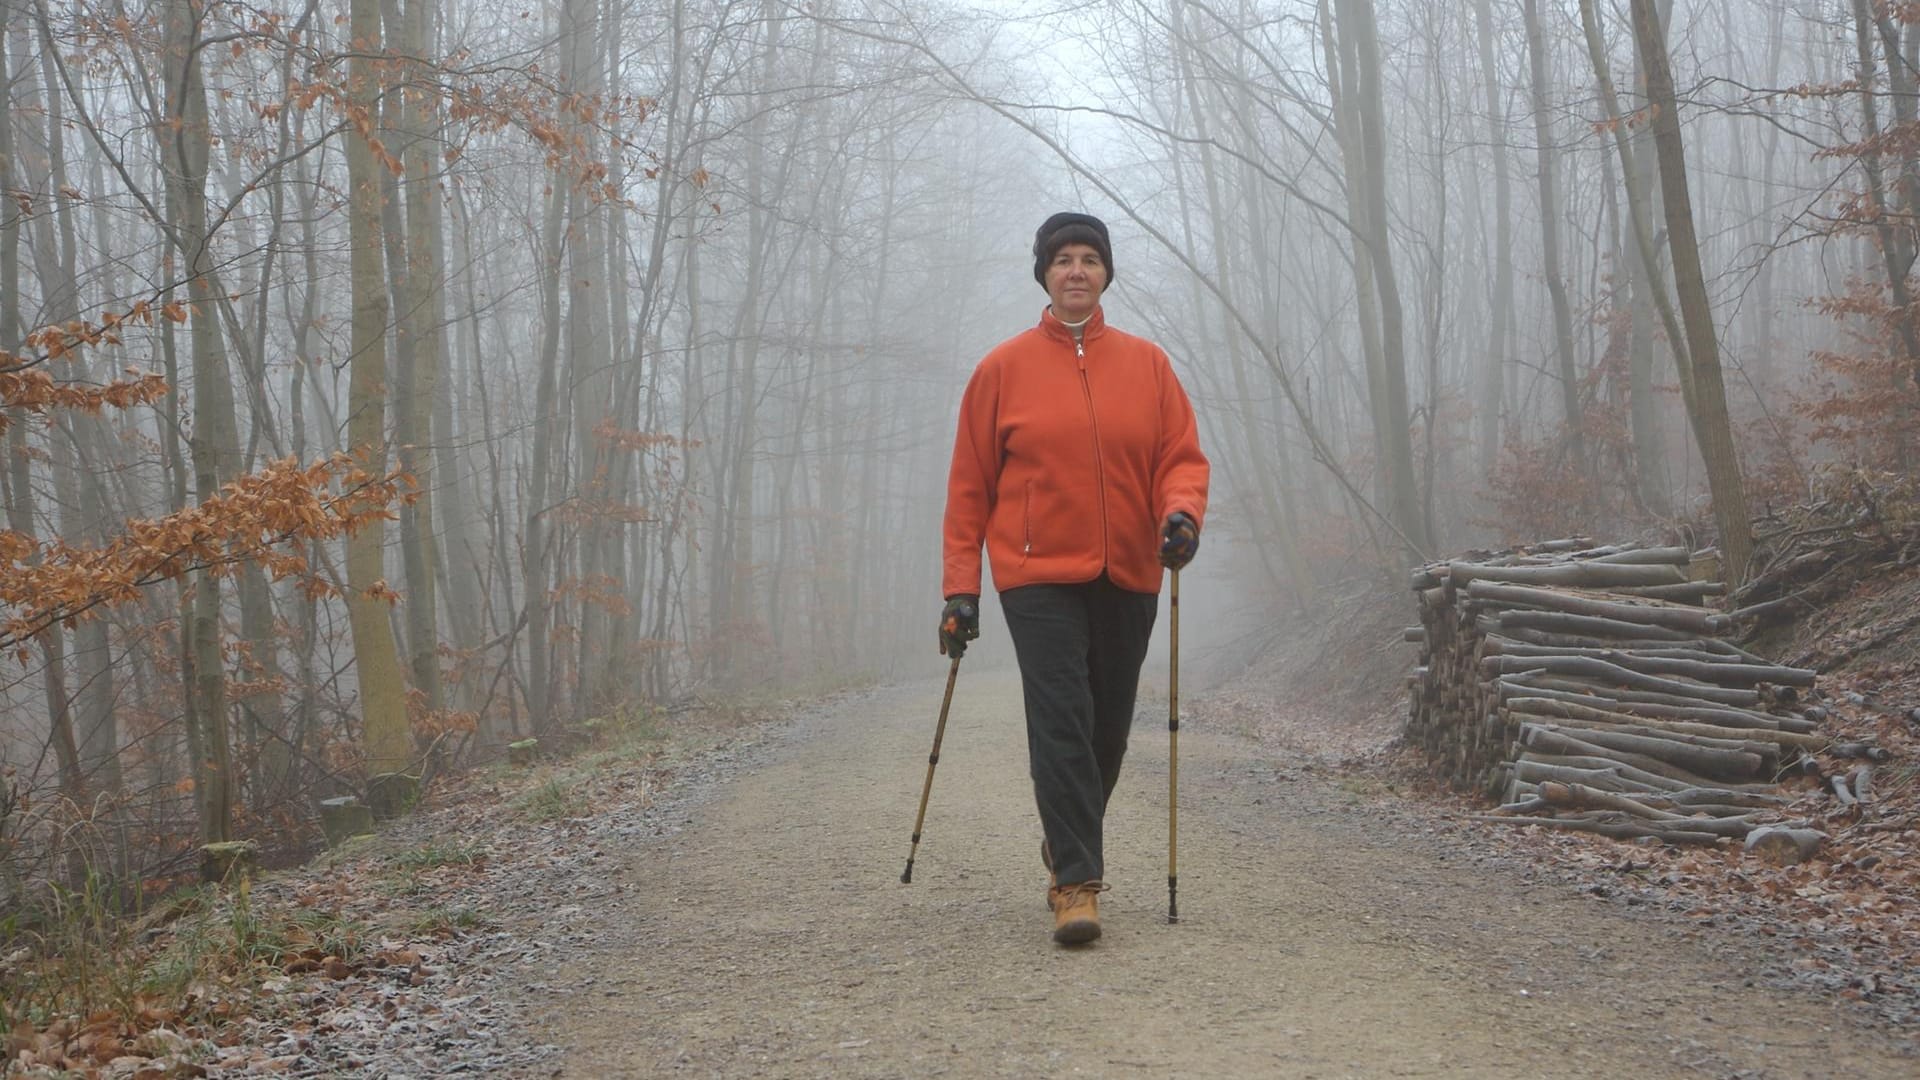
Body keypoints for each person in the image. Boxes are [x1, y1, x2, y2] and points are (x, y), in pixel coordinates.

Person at [937, 211, 1209, 945]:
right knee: (1060, 719)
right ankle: (1076, 885)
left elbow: (1179, 459)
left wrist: (1180, 514)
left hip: (1130, 568)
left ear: (1106, 273)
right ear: (1044, 274)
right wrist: (961, 587)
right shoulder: (1002, 369)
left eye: (1090, 258)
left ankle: (1066, 839)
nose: (1077, 271)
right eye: (1063, 260)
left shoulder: (1149, 365)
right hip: (1036, 576)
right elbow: (969, 488)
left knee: (1107, 729)